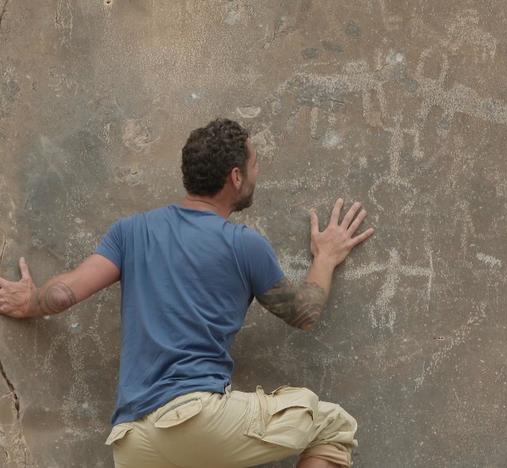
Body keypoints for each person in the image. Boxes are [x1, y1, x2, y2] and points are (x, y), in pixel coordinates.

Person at [0, 118, 374, 467]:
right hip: (194, 419)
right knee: (332, 424)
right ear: (236, 176)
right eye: (255, 164)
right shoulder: (243, 244)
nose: (257, 173)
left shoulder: (132, 231)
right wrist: (325, 257)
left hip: (133, 442)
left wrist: (29, 301)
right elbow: (304, 314)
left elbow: (64, 295)